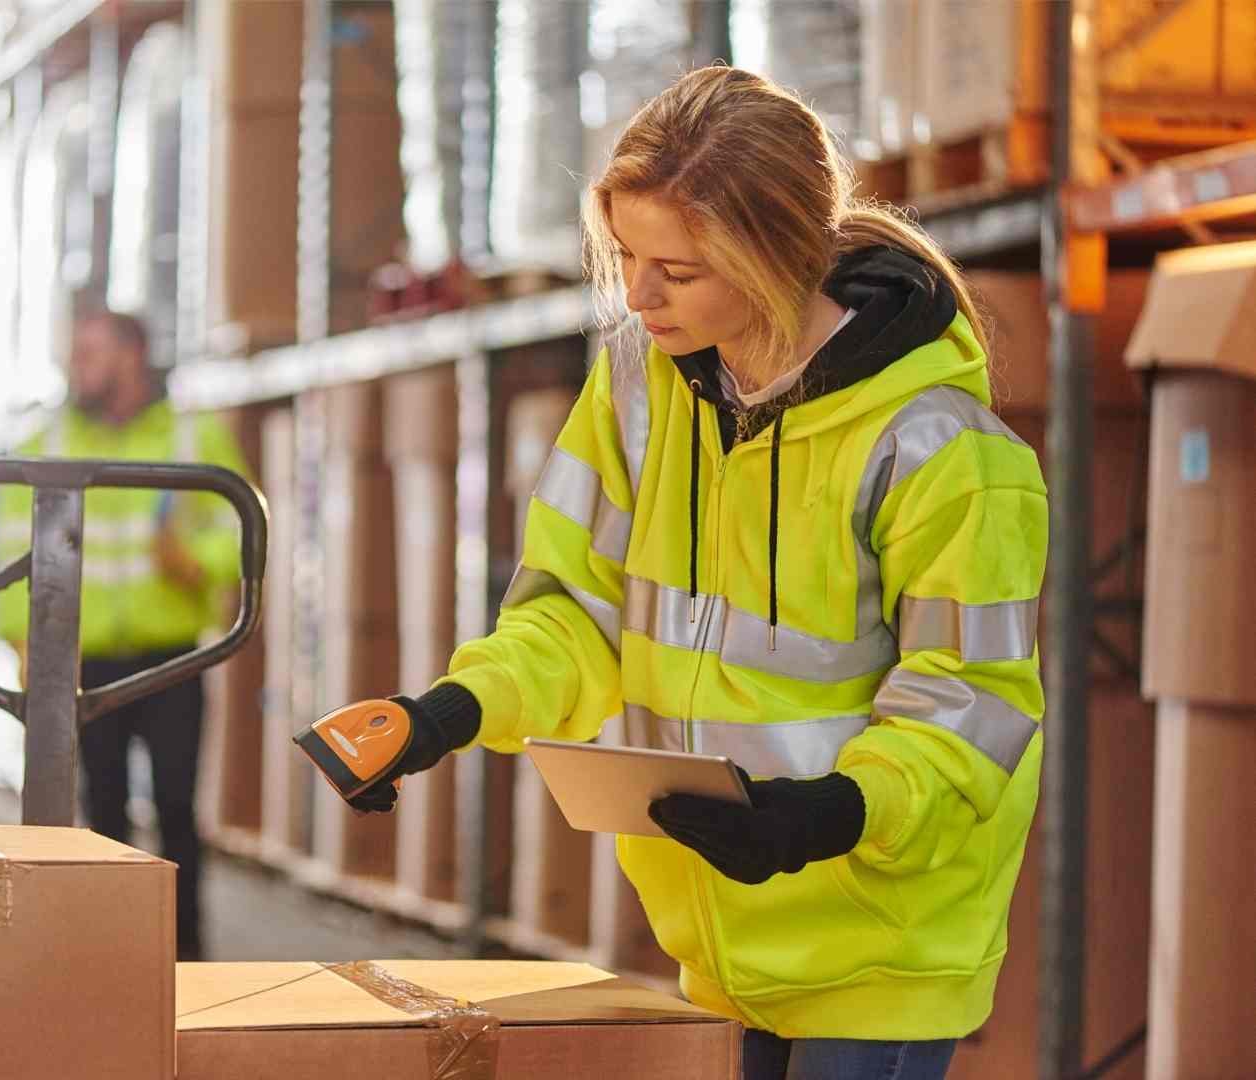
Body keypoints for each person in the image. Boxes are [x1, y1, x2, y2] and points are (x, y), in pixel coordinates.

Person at [330, 65, 1047, 1080]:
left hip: (883, 941)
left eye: (679, 266)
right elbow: (573, 611)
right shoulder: (637, 387)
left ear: (778, 256)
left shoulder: (939, 449)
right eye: (624, 253)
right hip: (721, 942)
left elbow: (969, 702)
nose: (637, 292)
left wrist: (829, 812)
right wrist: (443, 713)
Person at [0, 309, 250, 962]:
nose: (75, 365)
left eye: (89, 352)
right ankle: (108, 958)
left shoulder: (193, 433)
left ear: (133, 354)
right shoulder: (45, 435)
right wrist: (18, 642)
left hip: (170, 659)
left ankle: (186, 959)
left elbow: (242, 526)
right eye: (72, 352)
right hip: (82, 658)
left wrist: (199, 562)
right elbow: (5, 542)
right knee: (100, 812)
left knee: (175, 811)